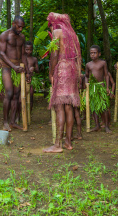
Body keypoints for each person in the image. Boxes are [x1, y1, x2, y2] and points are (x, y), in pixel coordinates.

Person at [43, 13, 81, 153]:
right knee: (68, 107)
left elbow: (54, 54)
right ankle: (68, 142)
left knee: (59, 106)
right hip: (72, 71)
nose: (51, 26)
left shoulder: (57, 32)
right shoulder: (72, 34)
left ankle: (57, 144)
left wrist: (51, 73)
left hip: (62, 69)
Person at [0, 16, 28, 131]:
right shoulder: (5, 35)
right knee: (9, 93)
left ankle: (12, 121)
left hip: (18, 68)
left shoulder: (22, 37)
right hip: (7, 67)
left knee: (17, 95)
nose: (20, 29)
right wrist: (13, 66)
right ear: (13, 23)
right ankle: (5, 122)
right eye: (19, 26)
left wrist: (26, 70)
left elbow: (23, 55)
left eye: (22, 27)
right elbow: (2, 53)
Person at [85, 45, 112, 133]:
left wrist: (107, 87)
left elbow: (106, 75)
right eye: (91, 53)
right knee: (93, 107)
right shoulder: (88, 65)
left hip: (101, 86)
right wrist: (86, 85)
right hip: (92, 87)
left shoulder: (103, 63)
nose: (92, 55)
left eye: (94, 53)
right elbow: (86, 76)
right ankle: (97, 125)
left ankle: (107, 126)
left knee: (104, 107)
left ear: (99, 54)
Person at [24, 41, 40, 115]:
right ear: (24, 49)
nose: (29, 51)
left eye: (30, 50)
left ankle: (29, 112)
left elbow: (37, 70)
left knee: (30, 95)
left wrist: (34, 68)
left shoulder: (34, 59)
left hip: (31, 80)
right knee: (22, 96)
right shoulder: (22, 58)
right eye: (27, 49)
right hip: (22, 79)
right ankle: (22, 112)